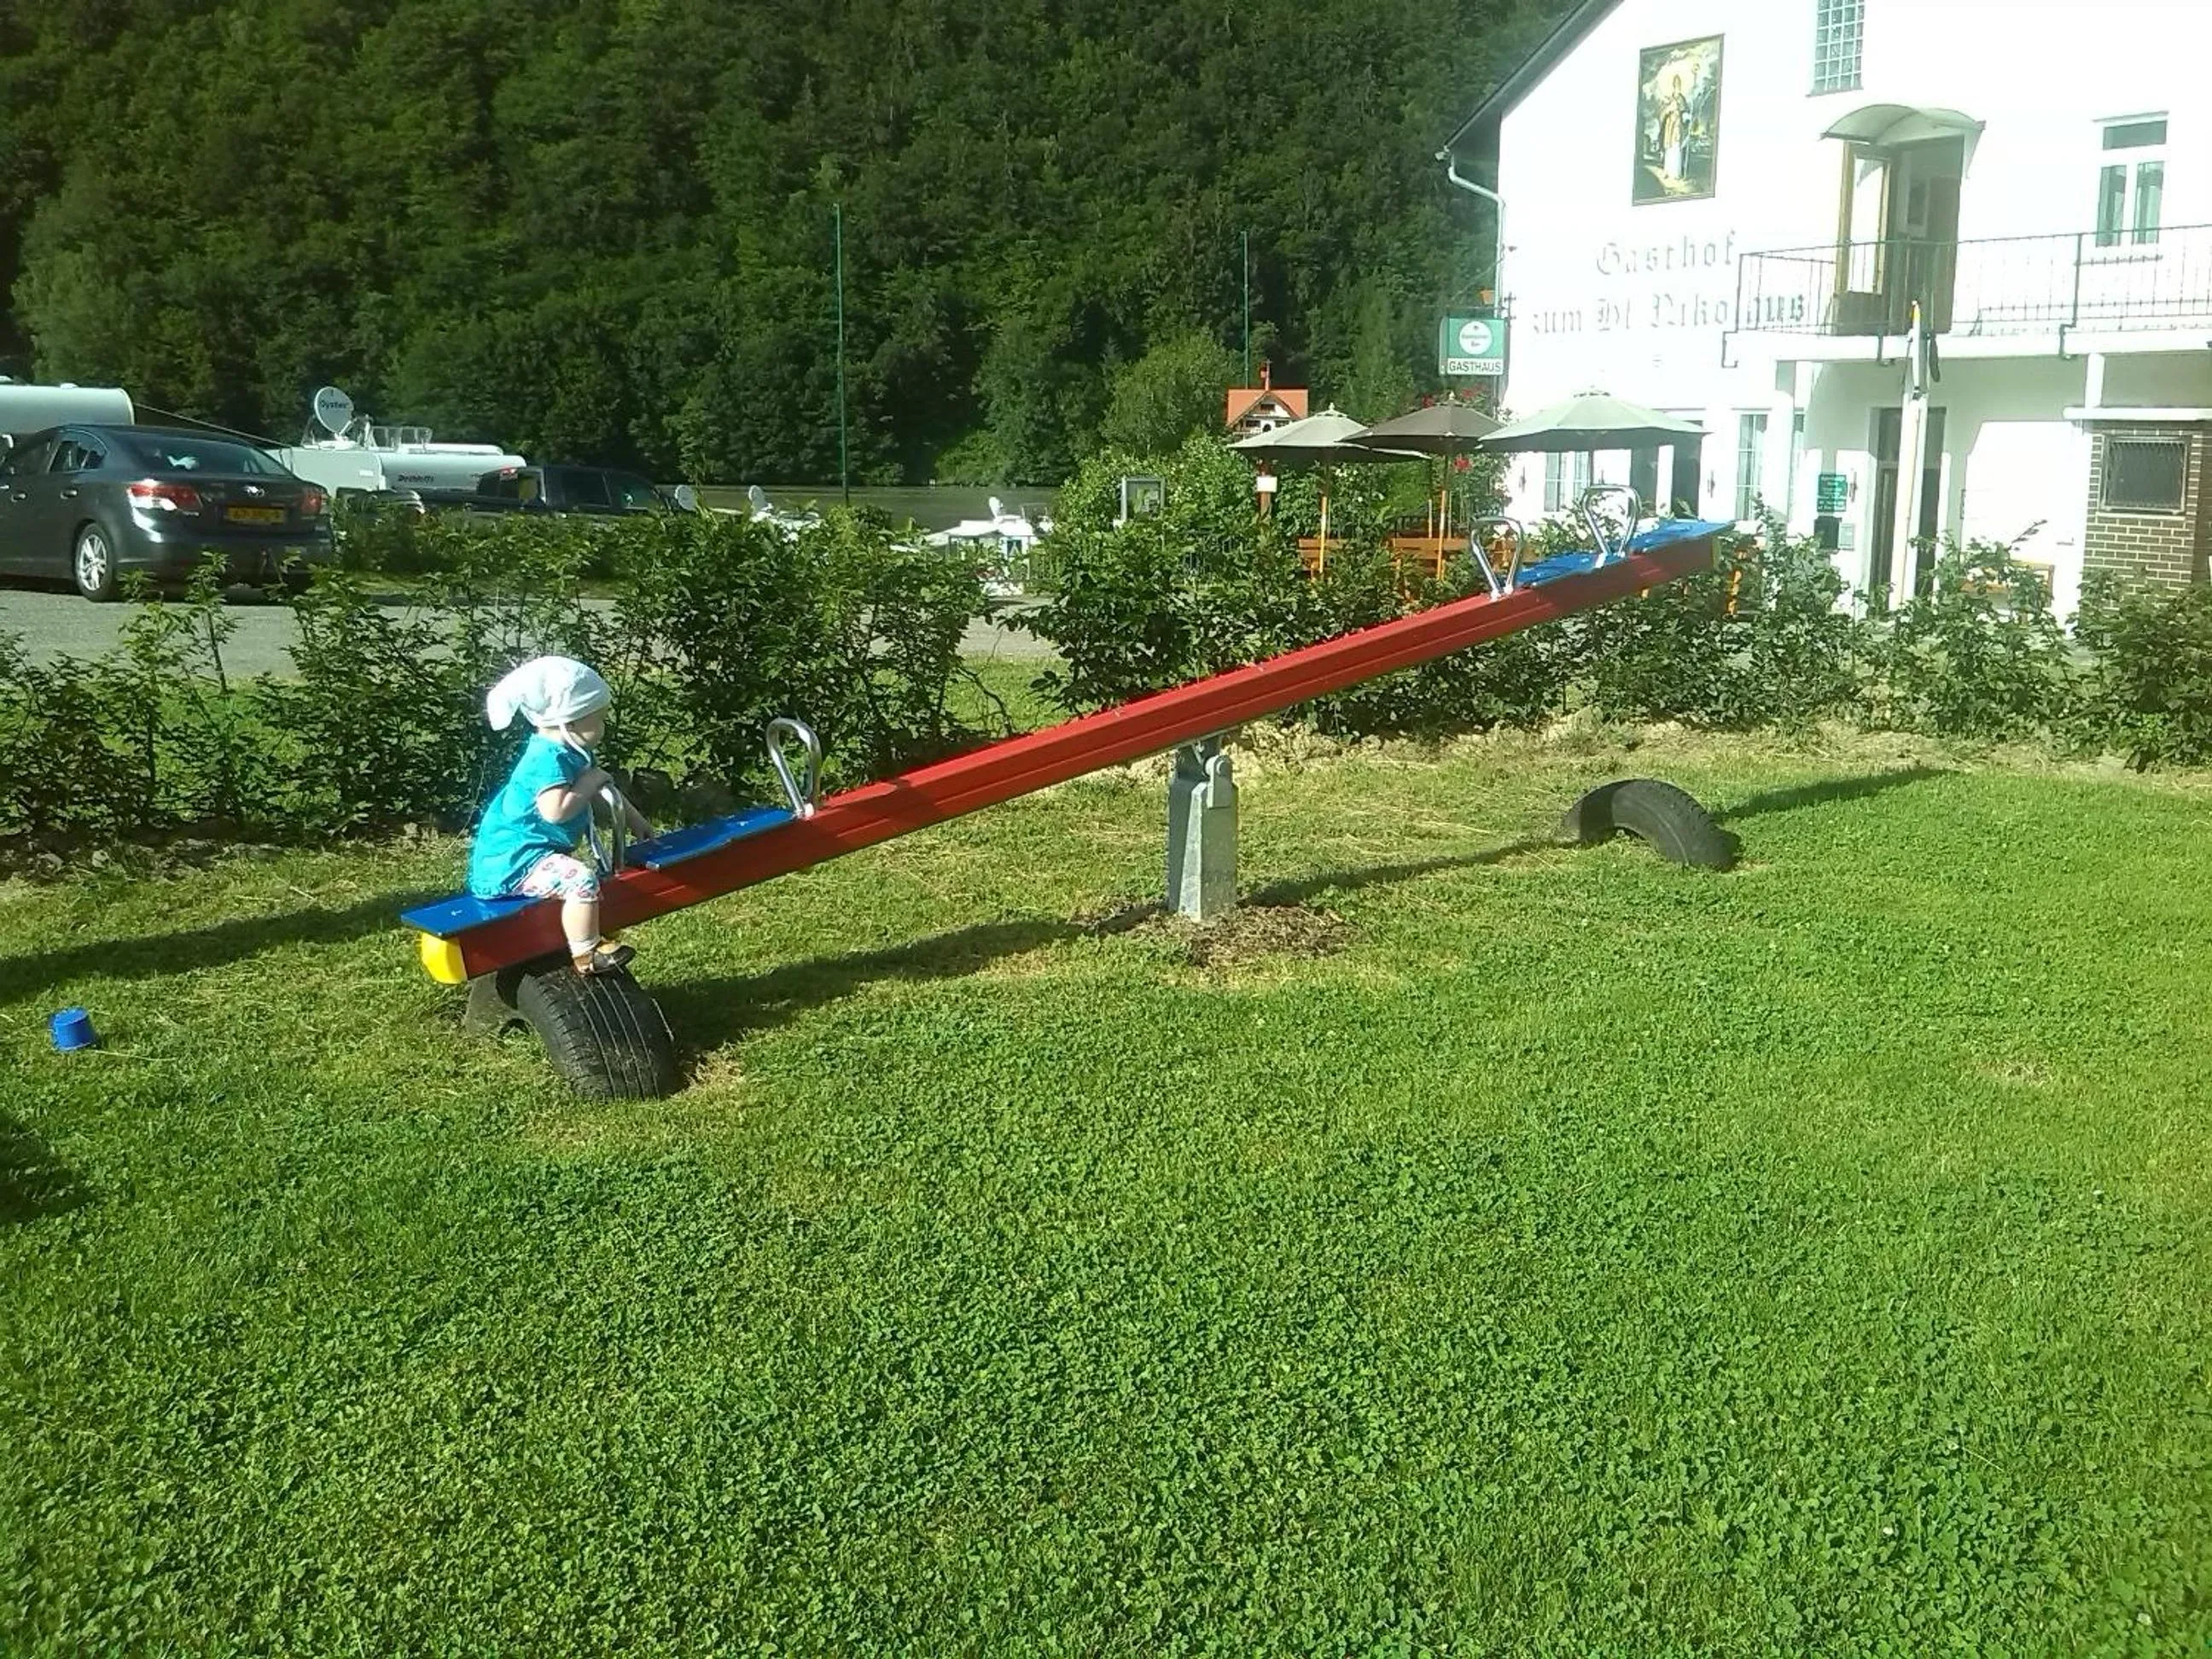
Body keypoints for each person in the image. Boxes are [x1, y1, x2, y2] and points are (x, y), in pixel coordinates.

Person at [468, 655, 652, 976]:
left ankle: (588, 935)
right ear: (571, 722)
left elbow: (601, 789)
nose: (604, 728)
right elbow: (555, 812)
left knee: (582, 876)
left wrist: (636, 821)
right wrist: (589, 781)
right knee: (580, 879)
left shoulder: (569, 751)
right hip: (513, 862)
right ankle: (587, 953)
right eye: (599, 720)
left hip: (529, 853)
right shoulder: (546, 760)